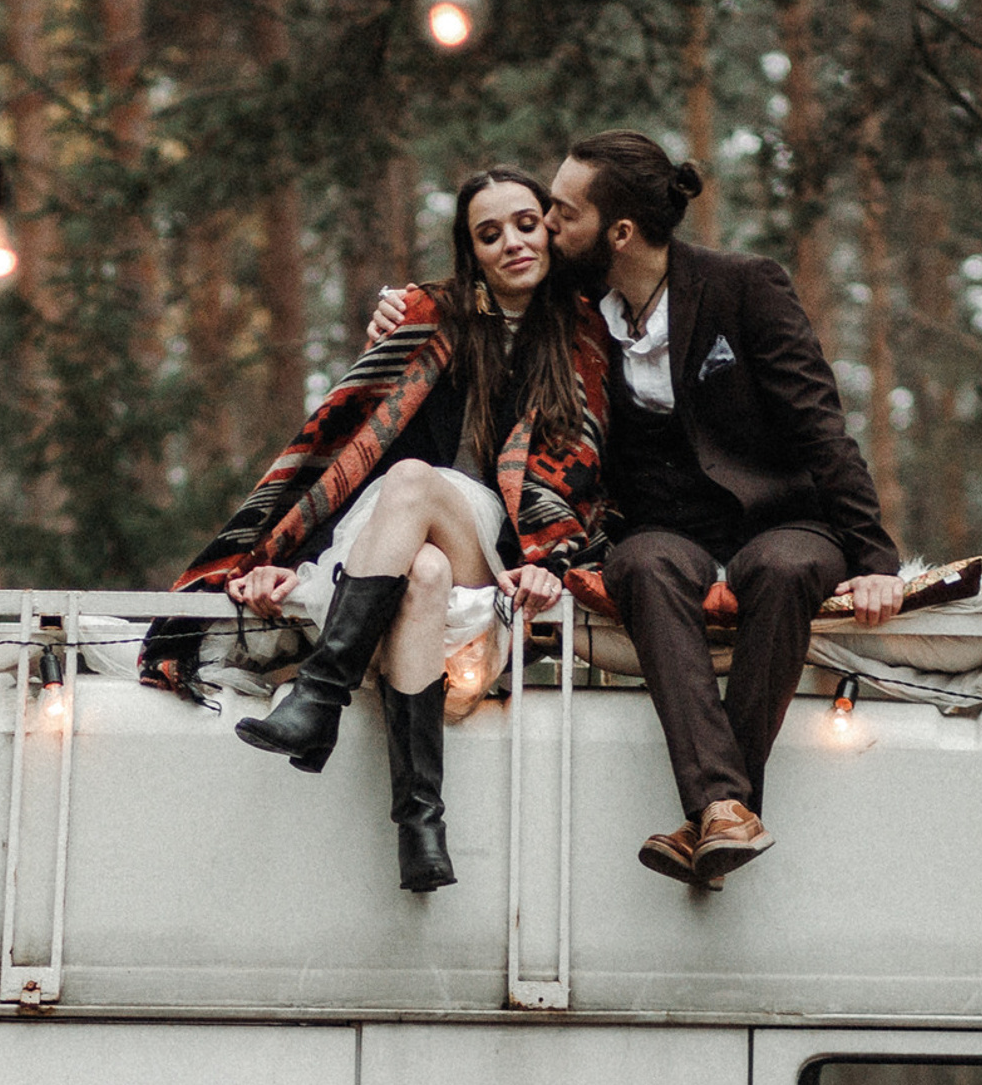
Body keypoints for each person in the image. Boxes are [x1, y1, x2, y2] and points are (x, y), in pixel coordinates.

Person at [372, 133, 904, 887]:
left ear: (617, 233)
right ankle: (726, 811)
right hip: (661, 529)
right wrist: (399, 309)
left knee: (785, 571)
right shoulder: (577, 309)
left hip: (783, 519)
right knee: (643, 569)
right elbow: (480, 306)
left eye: (561, 213)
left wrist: (876, 563)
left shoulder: (744, 287)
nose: (547, 228)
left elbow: (821, 429)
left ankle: (719, 807)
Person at [143, 168, 606, 892]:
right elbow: (346, 449)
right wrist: (285, 554)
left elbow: (583, 475)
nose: (513, 242)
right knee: (420, 567)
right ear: (471, 252)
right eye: (490, 234)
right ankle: (420, 824)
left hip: (500, 553)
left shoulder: (584, 329)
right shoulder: (430, 320)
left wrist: (558, 556)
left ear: (550, 226)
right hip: (416, 552)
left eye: (525, 223)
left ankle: (320, 696)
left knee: (414, 479)